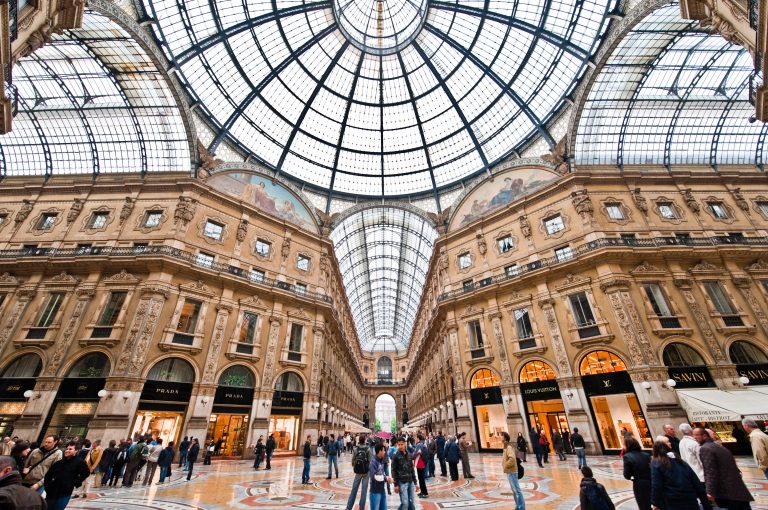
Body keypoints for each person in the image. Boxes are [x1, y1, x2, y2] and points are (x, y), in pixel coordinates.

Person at [694, 427, 754, 510]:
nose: (694, 437)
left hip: (727, 492)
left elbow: (710, 471)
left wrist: (710, 491)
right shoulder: (718, 447)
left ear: (704, 436)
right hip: (737, 490)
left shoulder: (705, 448)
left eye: (696, 435)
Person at [650, 437, 711, 510]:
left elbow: (656, 484)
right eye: (667, 442)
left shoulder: (657, 463)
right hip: (689, 498)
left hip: (673, 501)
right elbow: (695, 482)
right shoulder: (679, 460)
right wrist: (705, 503)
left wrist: (655, 502)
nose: (670, 443)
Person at [44, 441, 90, 510]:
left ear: (76, 451)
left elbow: (86, 472)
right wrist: (47, 486)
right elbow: (48, 475)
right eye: (67, 449)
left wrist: (75, 482)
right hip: (51, 492)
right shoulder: (59, 462)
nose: (67, 451)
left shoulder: (80, 462)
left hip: (64, 493)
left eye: (70, 449)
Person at [622, 437, 651, 510]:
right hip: (650, 481)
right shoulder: (646, 455)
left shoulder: (627, 456)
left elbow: (627, 475)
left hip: (639, 484)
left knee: (644, 505)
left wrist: (632, 477)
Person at [501, 432, 525, 510]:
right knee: (514, 491)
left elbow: (512, 459)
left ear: (505, 437)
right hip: (509, 471)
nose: (500, 437)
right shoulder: (505, 447)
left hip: (512, 471)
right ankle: (518, 506)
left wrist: (505, 465)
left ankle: (521, 507)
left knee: (517, 490)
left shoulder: (508, 447)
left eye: (501, 436)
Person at [391, 437, 416, 510]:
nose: (400, 446)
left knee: (411, 502)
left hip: (410, 481)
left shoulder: (409, 454)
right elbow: (393, 470)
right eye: (399, 445)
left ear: (405, 444)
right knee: (405, 503)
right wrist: (395, 484)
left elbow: (412, 468)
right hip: (402, 482)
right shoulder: (395, 455)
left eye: (402, 444)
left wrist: (415, 482)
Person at [347, 435, 370, 510]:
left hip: (358, 472)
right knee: (364, 491)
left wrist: (356, 467)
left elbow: (353, 460)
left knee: (354, 489)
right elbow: (370, 460)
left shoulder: (356, 449)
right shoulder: (368, 449)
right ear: (365, 440)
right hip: (366, 472)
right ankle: (361, 508)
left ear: (359, 440)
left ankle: (349, 507)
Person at [369, 443, 392, 510]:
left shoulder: (380, 461)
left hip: (382, 490)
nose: (385, 452)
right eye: (383, 450)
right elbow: (374, 476)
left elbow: (381, 473)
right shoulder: (373, 462)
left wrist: (387, 477)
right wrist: (386, 478)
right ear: (379, 451)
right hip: (375, 492)